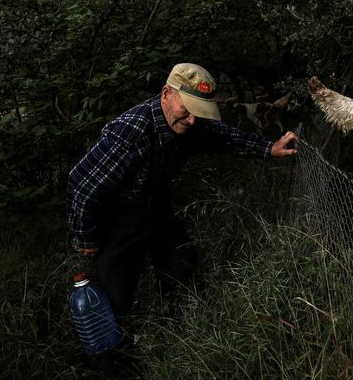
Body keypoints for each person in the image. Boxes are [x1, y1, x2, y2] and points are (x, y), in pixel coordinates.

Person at [66, 63, 297, 368]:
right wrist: (86, 236)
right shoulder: (132, 132)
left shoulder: (192, 123)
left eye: (198, 113)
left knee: (181, 264)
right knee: (116, 285)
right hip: (118, 213)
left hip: (155, 202)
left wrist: (269, 148)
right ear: (166, 94)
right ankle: (109, 360)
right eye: (187, 110)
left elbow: (222, 136)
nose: (191, 119)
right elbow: (82, 184)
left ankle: (184, 330)